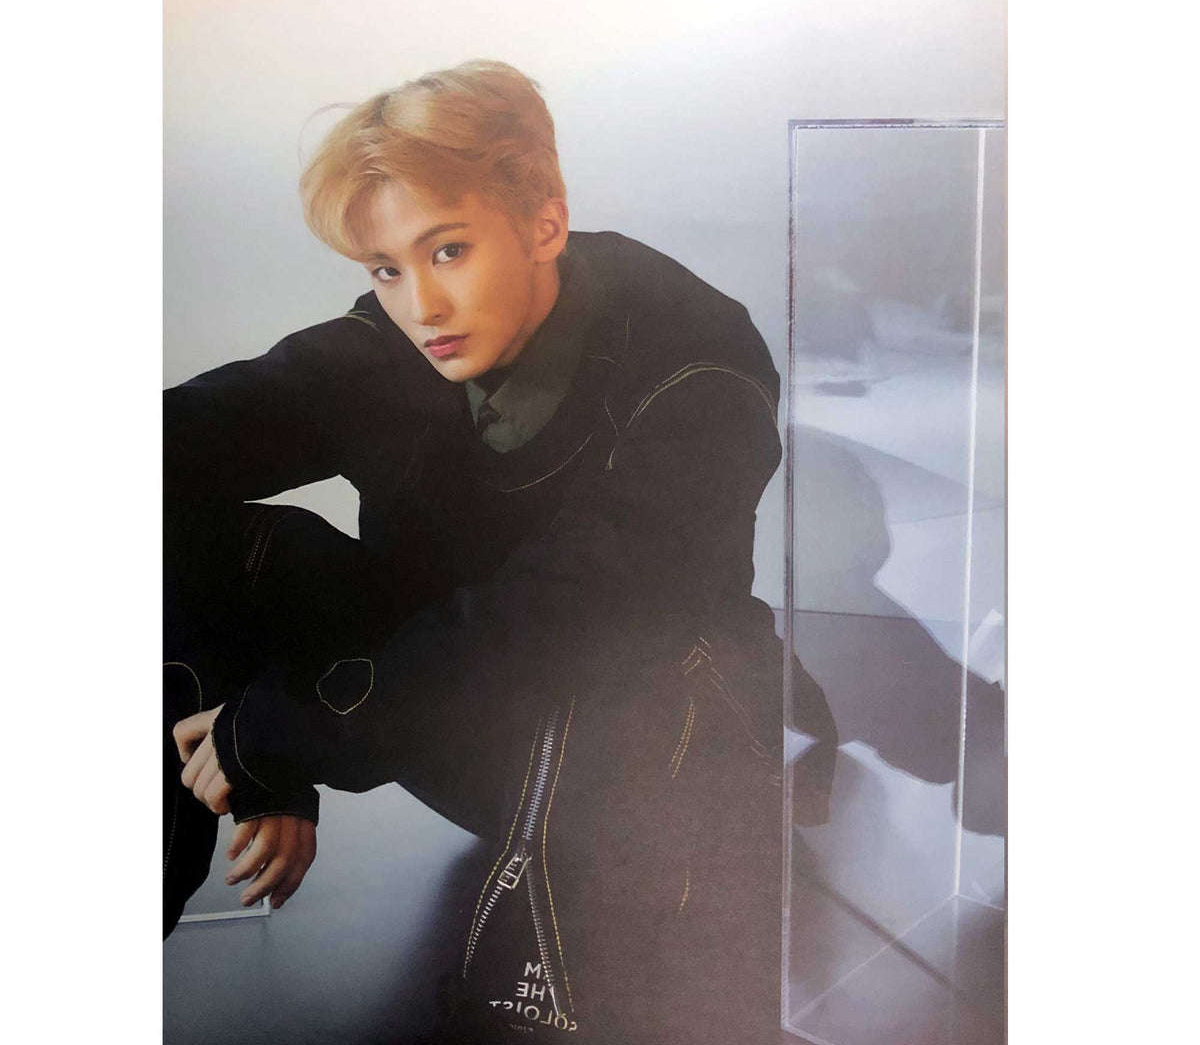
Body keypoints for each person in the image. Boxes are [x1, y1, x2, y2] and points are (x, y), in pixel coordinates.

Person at [164, 60, 836, 1043]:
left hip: (654, 757)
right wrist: (259, 755)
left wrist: (286, 729)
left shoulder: (696, 367)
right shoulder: (401, 339)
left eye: (448, 251)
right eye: (386, 269)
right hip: (458, 719)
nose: (421, 306)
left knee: (616, 673)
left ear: (544, 225)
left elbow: (566, 621)